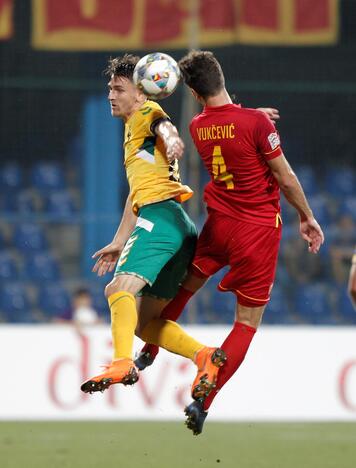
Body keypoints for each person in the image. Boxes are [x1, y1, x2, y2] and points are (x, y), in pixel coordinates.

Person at [136, 50, 325, 435]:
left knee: (186, 287)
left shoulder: (196, 126)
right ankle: (203, 400)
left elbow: (223, 120)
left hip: (219, 225)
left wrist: (252, 117)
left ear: (191, 91)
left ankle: (150, 348)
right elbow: (285, 176)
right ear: (222, 76)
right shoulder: (254, 122)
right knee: (246, 323)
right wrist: (307, 216)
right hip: (256, 232)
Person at [80, 54, 227, 402]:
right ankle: (204, 355)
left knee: (118, 289)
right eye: (109, 89)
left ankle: (121, 362)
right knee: (146, 324)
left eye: (119, 89)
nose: (111, 95)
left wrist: (173, 140)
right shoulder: (132, 130)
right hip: (176, 225)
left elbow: (164, 125)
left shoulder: (147, 114)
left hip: (160, 219)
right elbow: (137, 192)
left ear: (142, 93)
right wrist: (119, 240)